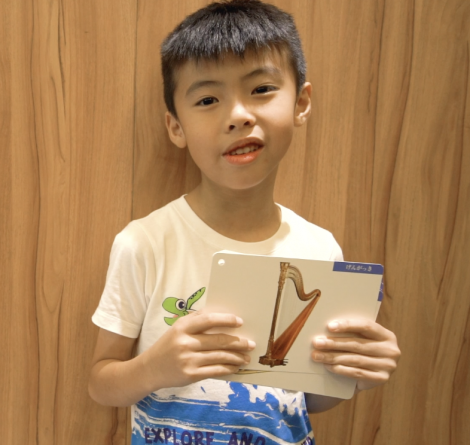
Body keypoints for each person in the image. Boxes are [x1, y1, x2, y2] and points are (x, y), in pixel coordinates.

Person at [87, 1, 401, 444]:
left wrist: (353, 374)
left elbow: (310, 400)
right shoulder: (145, 243)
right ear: (176, 127)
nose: (238, 115)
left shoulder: (320, 249)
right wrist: (155, 368)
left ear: (301, 103)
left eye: (261, 89)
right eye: (208, 99)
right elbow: (101, 383)